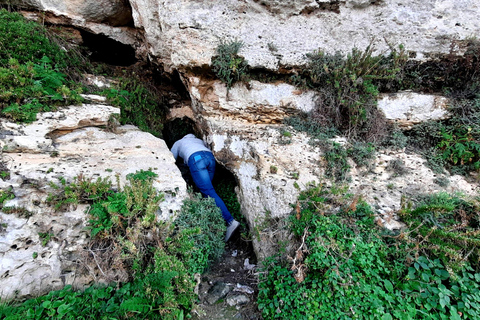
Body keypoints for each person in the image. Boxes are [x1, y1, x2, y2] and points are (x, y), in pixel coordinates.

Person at [171, 134, 240, 241]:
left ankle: (230, 221)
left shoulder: (179, 142)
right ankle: (213, 221)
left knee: (208, 192)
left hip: (196, 159)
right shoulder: (199, 141)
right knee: (207, 192)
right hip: (210, 159)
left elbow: (171, 159)